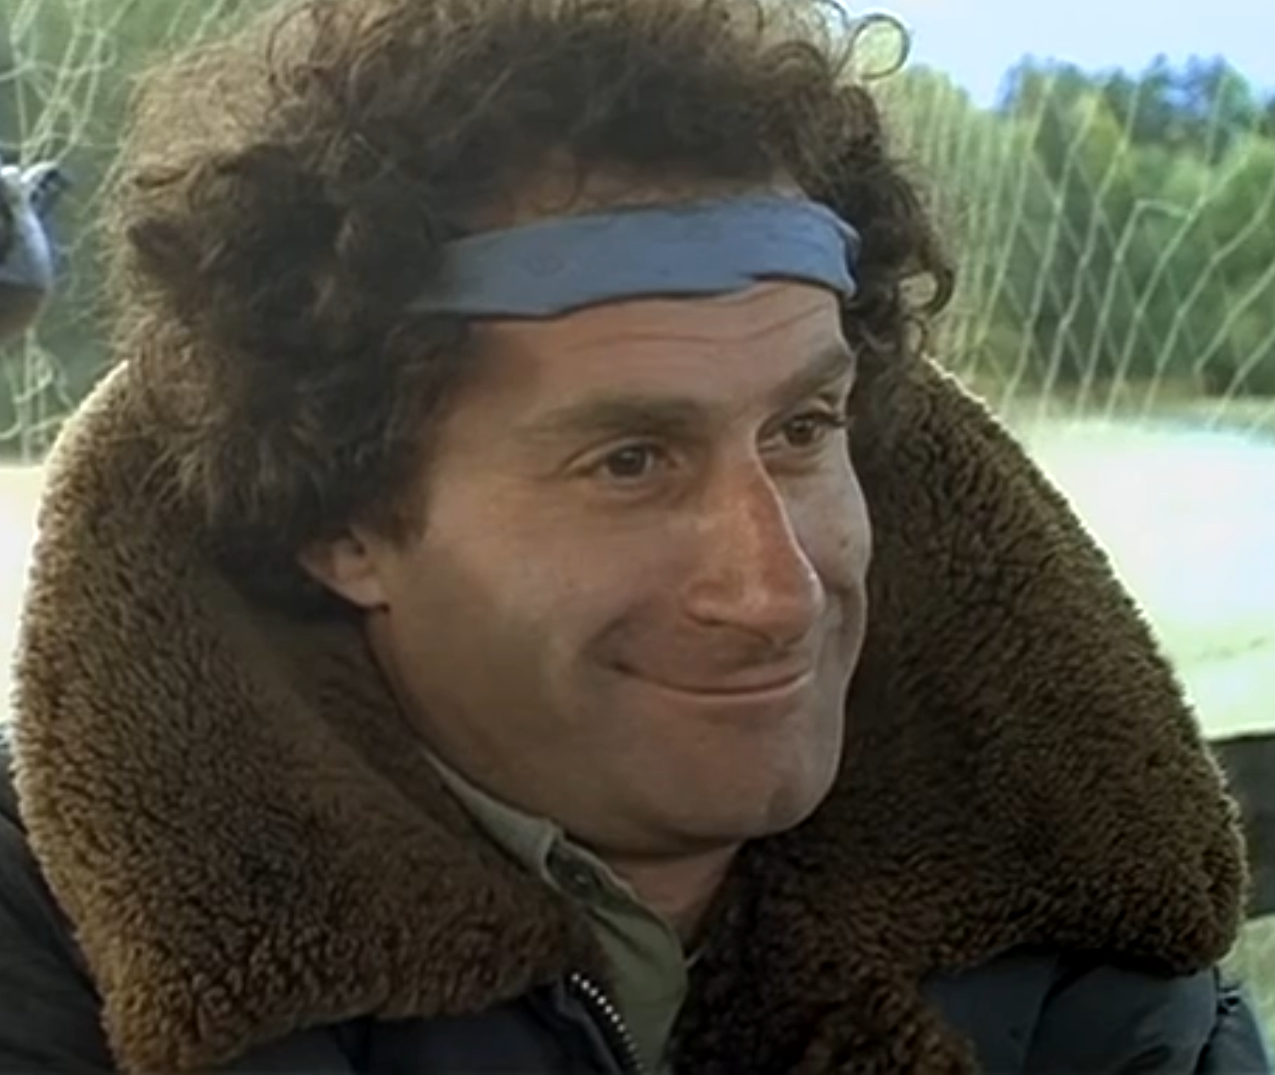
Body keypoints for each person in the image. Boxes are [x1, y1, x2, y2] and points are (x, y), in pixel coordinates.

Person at [1, 0, 1270, 1071]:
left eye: (802, 429)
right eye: (630, 461)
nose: (778, 590)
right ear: (344, 521)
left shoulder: (1084, 930)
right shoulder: (57, 939)